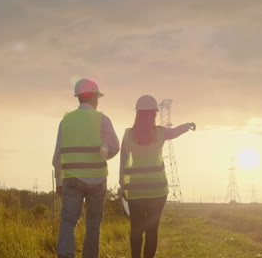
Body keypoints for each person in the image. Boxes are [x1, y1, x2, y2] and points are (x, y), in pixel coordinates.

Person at [119, 95, 195, 258]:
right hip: (158, 190)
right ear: (154, 113)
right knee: (152, 231)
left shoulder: (128, 134)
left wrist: (122, 185)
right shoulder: (161, 133)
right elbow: (176, 131)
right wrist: (188, 125)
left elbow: (123, 162)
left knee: (136, 229)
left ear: (137, 114)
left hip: (135, 190)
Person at [52, 79, 119, 258]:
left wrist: (59, 181)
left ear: (79, 98)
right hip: (97, 179)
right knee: (93, 226)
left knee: (68, 222)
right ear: (95, 98)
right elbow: (115, 147)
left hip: (72, 179)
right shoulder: (103, 119)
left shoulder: (66, 120)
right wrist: (104, 150)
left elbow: (57, 155)